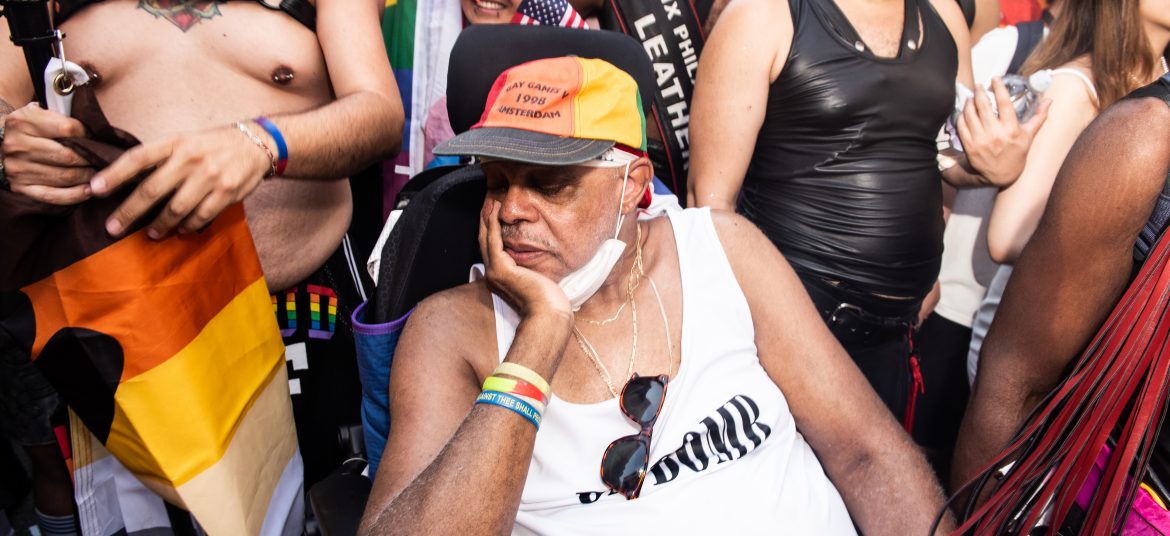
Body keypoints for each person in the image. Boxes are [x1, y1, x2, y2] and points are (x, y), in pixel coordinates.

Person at [359, 29, 950, 534]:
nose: (511, 210)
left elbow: (867, 453)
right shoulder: (451, 328)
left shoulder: (723, 250)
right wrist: (537, 338)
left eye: (548, 184)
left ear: (632, 185)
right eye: (496, 181)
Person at [0, 0, 404, 512]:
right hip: (116, 320)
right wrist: (6, 143)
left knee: (323, 498)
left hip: (301, 309)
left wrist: (260, 143)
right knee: (123, 508)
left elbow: (380, 114)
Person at [686, 0, 1044, 433]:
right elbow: (709, 206)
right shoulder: (763, 15)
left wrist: (992, 169)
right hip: (788, 335)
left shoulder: (943, 14)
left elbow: (941, 155)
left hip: (896, 337)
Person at [953, 0, 1170, 491]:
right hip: (1035, 335)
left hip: (1090, 355)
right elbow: (1005, 235)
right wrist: (1100, 232)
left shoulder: (1155, 78)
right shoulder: (1077, 87)